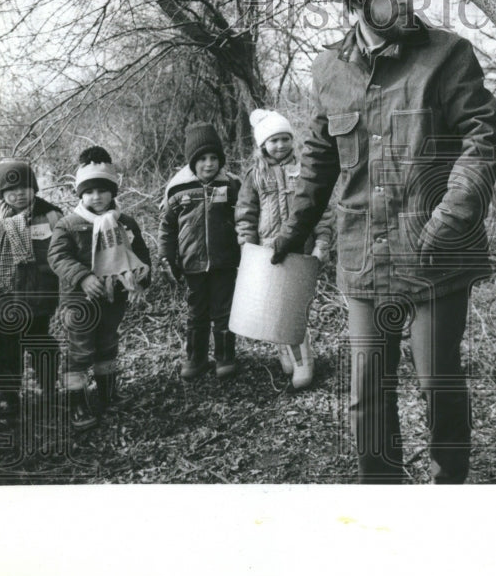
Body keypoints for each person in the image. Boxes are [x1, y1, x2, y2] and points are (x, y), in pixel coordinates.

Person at [270, 0, 496, 483]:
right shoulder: (328, 71)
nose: (401, 0)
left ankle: (448, 485)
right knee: (367, 392)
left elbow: (485, 136)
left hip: (436, 256)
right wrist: (293, 230)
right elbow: (319, 159)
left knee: (437, 382)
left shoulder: (448, 55)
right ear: (356, 6)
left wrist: (454, 211)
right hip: (363, 256)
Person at [47, 147, 151, 429]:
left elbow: (139, 255)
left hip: (112, 297)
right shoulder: (69, 225)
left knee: (107, 344)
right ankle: (77, 403)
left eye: (103, 190)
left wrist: (140, 281)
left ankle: (108, 394)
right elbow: (57, 257)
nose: (96, 197)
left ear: (113, 192)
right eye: (89, 191)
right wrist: (82, 277)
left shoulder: (124, 222)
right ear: (80, 195)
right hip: (79, 301)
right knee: (80, 350)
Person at [235, 108, 333, 389]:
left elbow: (320, 209)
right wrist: (247, 247)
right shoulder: (255, 175)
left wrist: (322, 242)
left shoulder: (304, 170)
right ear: (262, 144)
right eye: (273, 141)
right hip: (267, 253)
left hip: (299, 251)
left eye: (284, 139)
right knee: (273, 308)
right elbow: (246, 214)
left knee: (294, 309)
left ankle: (304, 361)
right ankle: (284, 349)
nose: (280, 145)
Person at [0, 159, 63, 413]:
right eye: (10, 190)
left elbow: (64, 256)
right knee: (4, 352)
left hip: (39, 300)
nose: (18, 194)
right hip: (2, 302)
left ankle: (49, 389)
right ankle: (9, 397)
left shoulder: (52, 217)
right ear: (1, 194)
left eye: (24, 187)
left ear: (34, 188)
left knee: (42, 346)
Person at [160, 122, 241, 381]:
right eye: (202, 159)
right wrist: (166, 256)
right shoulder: (178, 189)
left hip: (224, 262)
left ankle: (225, 357)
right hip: (192, 263)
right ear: (192, 162)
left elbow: (244, 218)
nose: (209, 164)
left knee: (224, 310)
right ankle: (196, 358)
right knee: (196, 312)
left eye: (214, 158)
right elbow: (167, 227)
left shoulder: (231, 185)